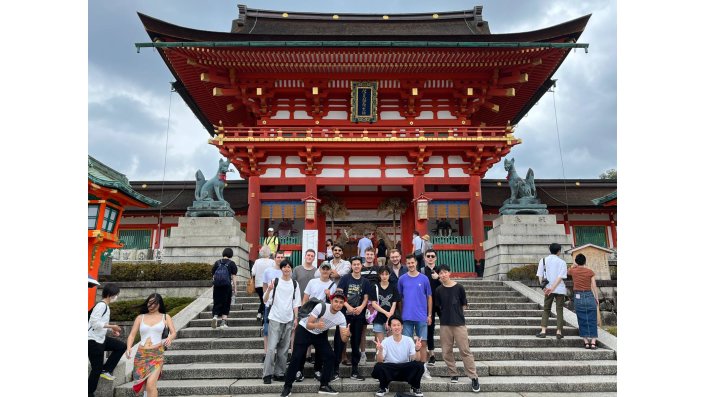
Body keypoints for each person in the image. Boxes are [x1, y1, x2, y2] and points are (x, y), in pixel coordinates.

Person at [279, 292, 351, 397]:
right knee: (296, 358)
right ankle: (287, 387)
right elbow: (308, 324)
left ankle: (324, 385)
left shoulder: (341, 317)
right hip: (304, 330)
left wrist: (347, 335)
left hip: (319, 334)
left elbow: (343, 339)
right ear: (331, 301)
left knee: (330, 357)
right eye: (336, 301)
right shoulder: (321, 306)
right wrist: (317, 324)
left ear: (343, 304)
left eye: (341, 302)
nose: (338, 304)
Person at [433, 264, 480, 392]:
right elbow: (437, 307)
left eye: (445, 272)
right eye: (440, 273)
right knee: (446, 351)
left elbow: (464, 304)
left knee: (465, 350)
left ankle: (473, 377)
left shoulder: (459, 287)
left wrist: (457, 314)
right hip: (445, 325)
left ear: (450, 272)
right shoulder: (438, 290)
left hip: (459, 324)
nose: (443, 275)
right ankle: (453, 373)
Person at [126, 293, 176, 397]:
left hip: (156, 354)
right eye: (150, 303)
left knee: (150, 385)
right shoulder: (140, 317)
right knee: (140, 389)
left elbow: (173, 332)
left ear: (159, 304)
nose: (151, 305)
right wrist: (128, 348)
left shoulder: (165, 317)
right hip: (141, 355)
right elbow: (131, 335)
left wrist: (170, 338)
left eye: (154, 303)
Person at [262, 259, 302, 384]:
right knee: (271, 348)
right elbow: (265, 300)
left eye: (289, 267)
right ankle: (267, 374)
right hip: (275, 318)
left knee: (284, 349)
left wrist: (296, 318)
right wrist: (268, 290)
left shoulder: (295, 284)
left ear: (291, 269)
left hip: (289, 319)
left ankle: (279, 373)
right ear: (281, 268)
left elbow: (296, 303)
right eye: (284, 267)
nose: (286, 269)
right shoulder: (275, 282)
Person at [335, 256, 372, 381]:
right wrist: (347, 306)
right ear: (351, 266)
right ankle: (335, 369)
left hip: (359, 315)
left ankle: (355, 371)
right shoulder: (345, 279)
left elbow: (366, 297)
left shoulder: (365, 281)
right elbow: (339, 294)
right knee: (340, 340)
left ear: (361, 266)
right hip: (344, 315)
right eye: (354, 264)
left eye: (358, 264)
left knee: (356, 342)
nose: (356, 266)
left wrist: (361, 307)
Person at [397, 254, 433, 380]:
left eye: (412, 262)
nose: (411, 265)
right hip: (406, 317)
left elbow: (429, 297)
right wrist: (401, 314)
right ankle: (409, 368)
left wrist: (429, 314)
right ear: (406, 264)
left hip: (421, 317)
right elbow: (400, 298)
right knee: (407, 344)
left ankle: (423, 368)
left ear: (416, 263)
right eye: (408, 263)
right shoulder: (402, 279)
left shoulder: (424, 279)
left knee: (422, 343)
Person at [370, 316, 425, 397]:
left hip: (405, 369)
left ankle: (415, 387)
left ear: (402, 327)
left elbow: (416, 359)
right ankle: (383, 387)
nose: (396, 327)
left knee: (420, 365)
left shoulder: (408, 340)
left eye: (398, 325)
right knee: (378, 366)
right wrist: (380, 350)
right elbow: (380, 361)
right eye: (394, 325)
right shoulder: (385, 341)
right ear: (390, 327)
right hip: (390, 369)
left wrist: (417, 350)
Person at [88, 283, 126, 397]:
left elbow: (101, 324)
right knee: (96, 369)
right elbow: (94, 323)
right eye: (116, 295)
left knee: (120, 346)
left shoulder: (106, 306)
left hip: (100, 339)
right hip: (93, 341)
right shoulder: (101, 305)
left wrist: (112, 330)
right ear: (110, 294)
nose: (116, 297)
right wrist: (112, 326)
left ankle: (107, 370)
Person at [301, 261, 337, 368]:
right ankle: (300, 368)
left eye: (327, 269)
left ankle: (318, 368)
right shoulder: (312, 282)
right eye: (323, 269)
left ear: (330, 271)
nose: (325, 271)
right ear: (320, 270)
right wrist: (304, 314)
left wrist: (330, 295)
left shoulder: (333, 285)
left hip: (323, 317)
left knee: (320, 344)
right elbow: (305, 299)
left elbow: (334, 304)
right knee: (304, 342)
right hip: (310, 315)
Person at [536, 243, 568, 339]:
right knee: (559, 310)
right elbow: (560, 277)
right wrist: (553, 288)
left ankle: (543, 331)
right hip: (559, 289)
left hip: (548, 289)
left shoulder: (543, 260)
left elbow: (540, 275)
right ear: (559, 251)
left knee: (546, 309)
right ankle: (558, 332)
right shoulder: (562, 262)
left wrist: (545, 288)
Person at [568, 254, 601, 349]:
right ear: (585, 262)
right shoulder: (590, 272)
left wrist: (574, 265)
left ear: (577, 262)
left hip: (578, 296)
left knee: (581, 318)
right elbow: (594, 286)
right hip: (589, 295)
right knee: (592, 318)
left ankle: (586, 342)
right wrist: (596, 298)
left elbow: (567, 272)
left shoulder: (573, 271)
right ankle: (593, 341)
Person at [262, 251, 285, 360]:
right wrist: (265, 299)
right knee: (266, 330)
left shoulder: (286, 271)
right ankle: (266, 353)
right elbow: (264, 286)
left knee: (280, 330)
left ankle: (277, 353)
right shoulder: (268, 271)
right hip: (269, 304)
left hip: (281, 305)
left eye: (282, 257)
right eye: (278, 257)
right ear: (275, 258)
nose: (280, 259)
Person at [421, 249, 441, 367]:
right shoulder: (422, 271)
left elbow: (448, 283)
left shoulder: (441, 270)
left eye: (432, 256)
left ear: (436, 258)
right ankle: (432, 354)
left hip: (441, 303)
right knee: (430, 328)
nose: (430, 258)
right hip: (428, 304)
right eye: (428, 256)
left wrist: (438, 277)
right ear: (424, 258)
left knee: (447, 327)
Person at [370, 266, 400, 343]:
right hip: (378, 318)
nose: (384, 276)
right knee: (379, 344)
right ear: (379, 275)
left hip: (391, 318)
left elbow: (394, 303)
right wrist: (386, 313)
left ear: (389, 275)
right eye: (382, 274)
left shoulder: (393, 287)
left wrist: (389, 316)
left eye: (386, 274)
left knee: (391, 343)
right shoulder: (375, 287)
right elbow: (374, 304)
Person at [211, 248, 238, 329]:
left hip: (217, 286)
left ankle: (215, 317)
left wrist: (214, 284)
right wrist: (235, 288)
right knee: (226, 303)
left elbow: (213, 275)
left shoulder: (217, 262)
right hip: (227, 286)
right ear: (231, 254)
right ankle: (223, 323)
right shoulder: (232, 263)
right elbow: (234, 276)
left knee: (217, 302)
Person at [252, 246, 275, 321]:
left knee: (263, 300)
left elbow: (253, 273)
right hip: (268, 285)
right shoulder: (272, 262)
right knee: (265, 301)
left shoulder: (257, 261)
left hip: (258, 284)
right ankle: (263, 316)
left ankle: (260, 314)